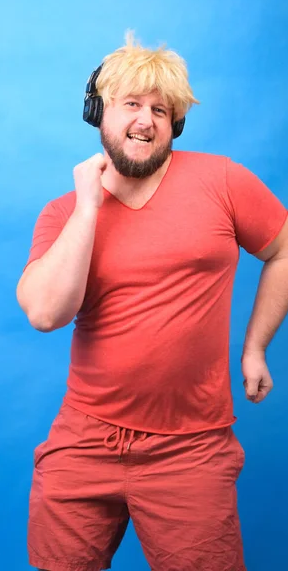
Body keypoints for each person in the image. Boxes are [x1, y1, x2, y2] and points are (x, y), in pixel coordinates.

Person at [16, 32, 288, 571]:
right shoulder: (62, 213)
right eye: (131, 104)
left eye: (161, 110)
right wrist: (89, 207)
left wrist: (255, 347)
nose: (146, 120)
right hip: (84, 440)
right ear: (99, 113)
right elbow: (47, 313)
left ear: (175, 124)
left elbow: (282, 250)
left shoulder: (223, 182)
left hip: (192, 447)